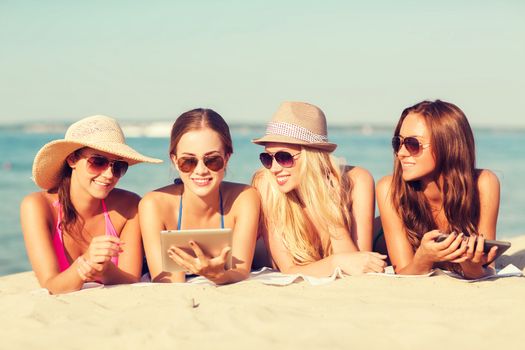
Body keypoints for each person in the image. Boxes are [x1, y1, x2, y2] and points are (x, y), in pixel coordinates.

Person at [21, 115, 162, 294]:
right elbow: (51, 284)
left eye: (118, 166)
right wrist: (87, 261)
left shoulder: (129, 206)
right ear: (72, 160)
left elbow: (131, 279)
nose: (109, 174)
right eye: (98, 162)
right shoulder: (37, 206)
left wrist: (104, 270)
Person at [251, 101, 387, 277]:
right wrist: (336, 261)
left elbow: (359, 265)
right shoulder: (266, 184)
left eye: (283, 157)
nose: (274, 168)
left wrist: (332, 215)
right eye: (267, 158)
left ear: (311, 156)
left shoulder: (358, 181)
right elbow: (290, 270)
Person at [376, 100, 500, 279]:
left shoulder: (483, 183)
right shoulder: (389, 188)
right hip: (378, 238)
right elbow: (403, 272)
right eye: (398, 142)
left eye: (412, 144)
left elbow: (485, 269)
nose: (401, 152)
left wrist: (470, 266)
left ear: (447, 146)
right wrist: (423, 258)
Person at [139, 108, 260, 284]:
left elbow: (240, 272)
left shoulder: (244, 198)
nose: (201, 170)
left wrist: (217, 275)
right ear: (174, 160)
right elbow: (167, 282)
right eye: (188, 161)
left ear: (227, 157)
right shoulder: (154, 204)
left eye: (212, 160)